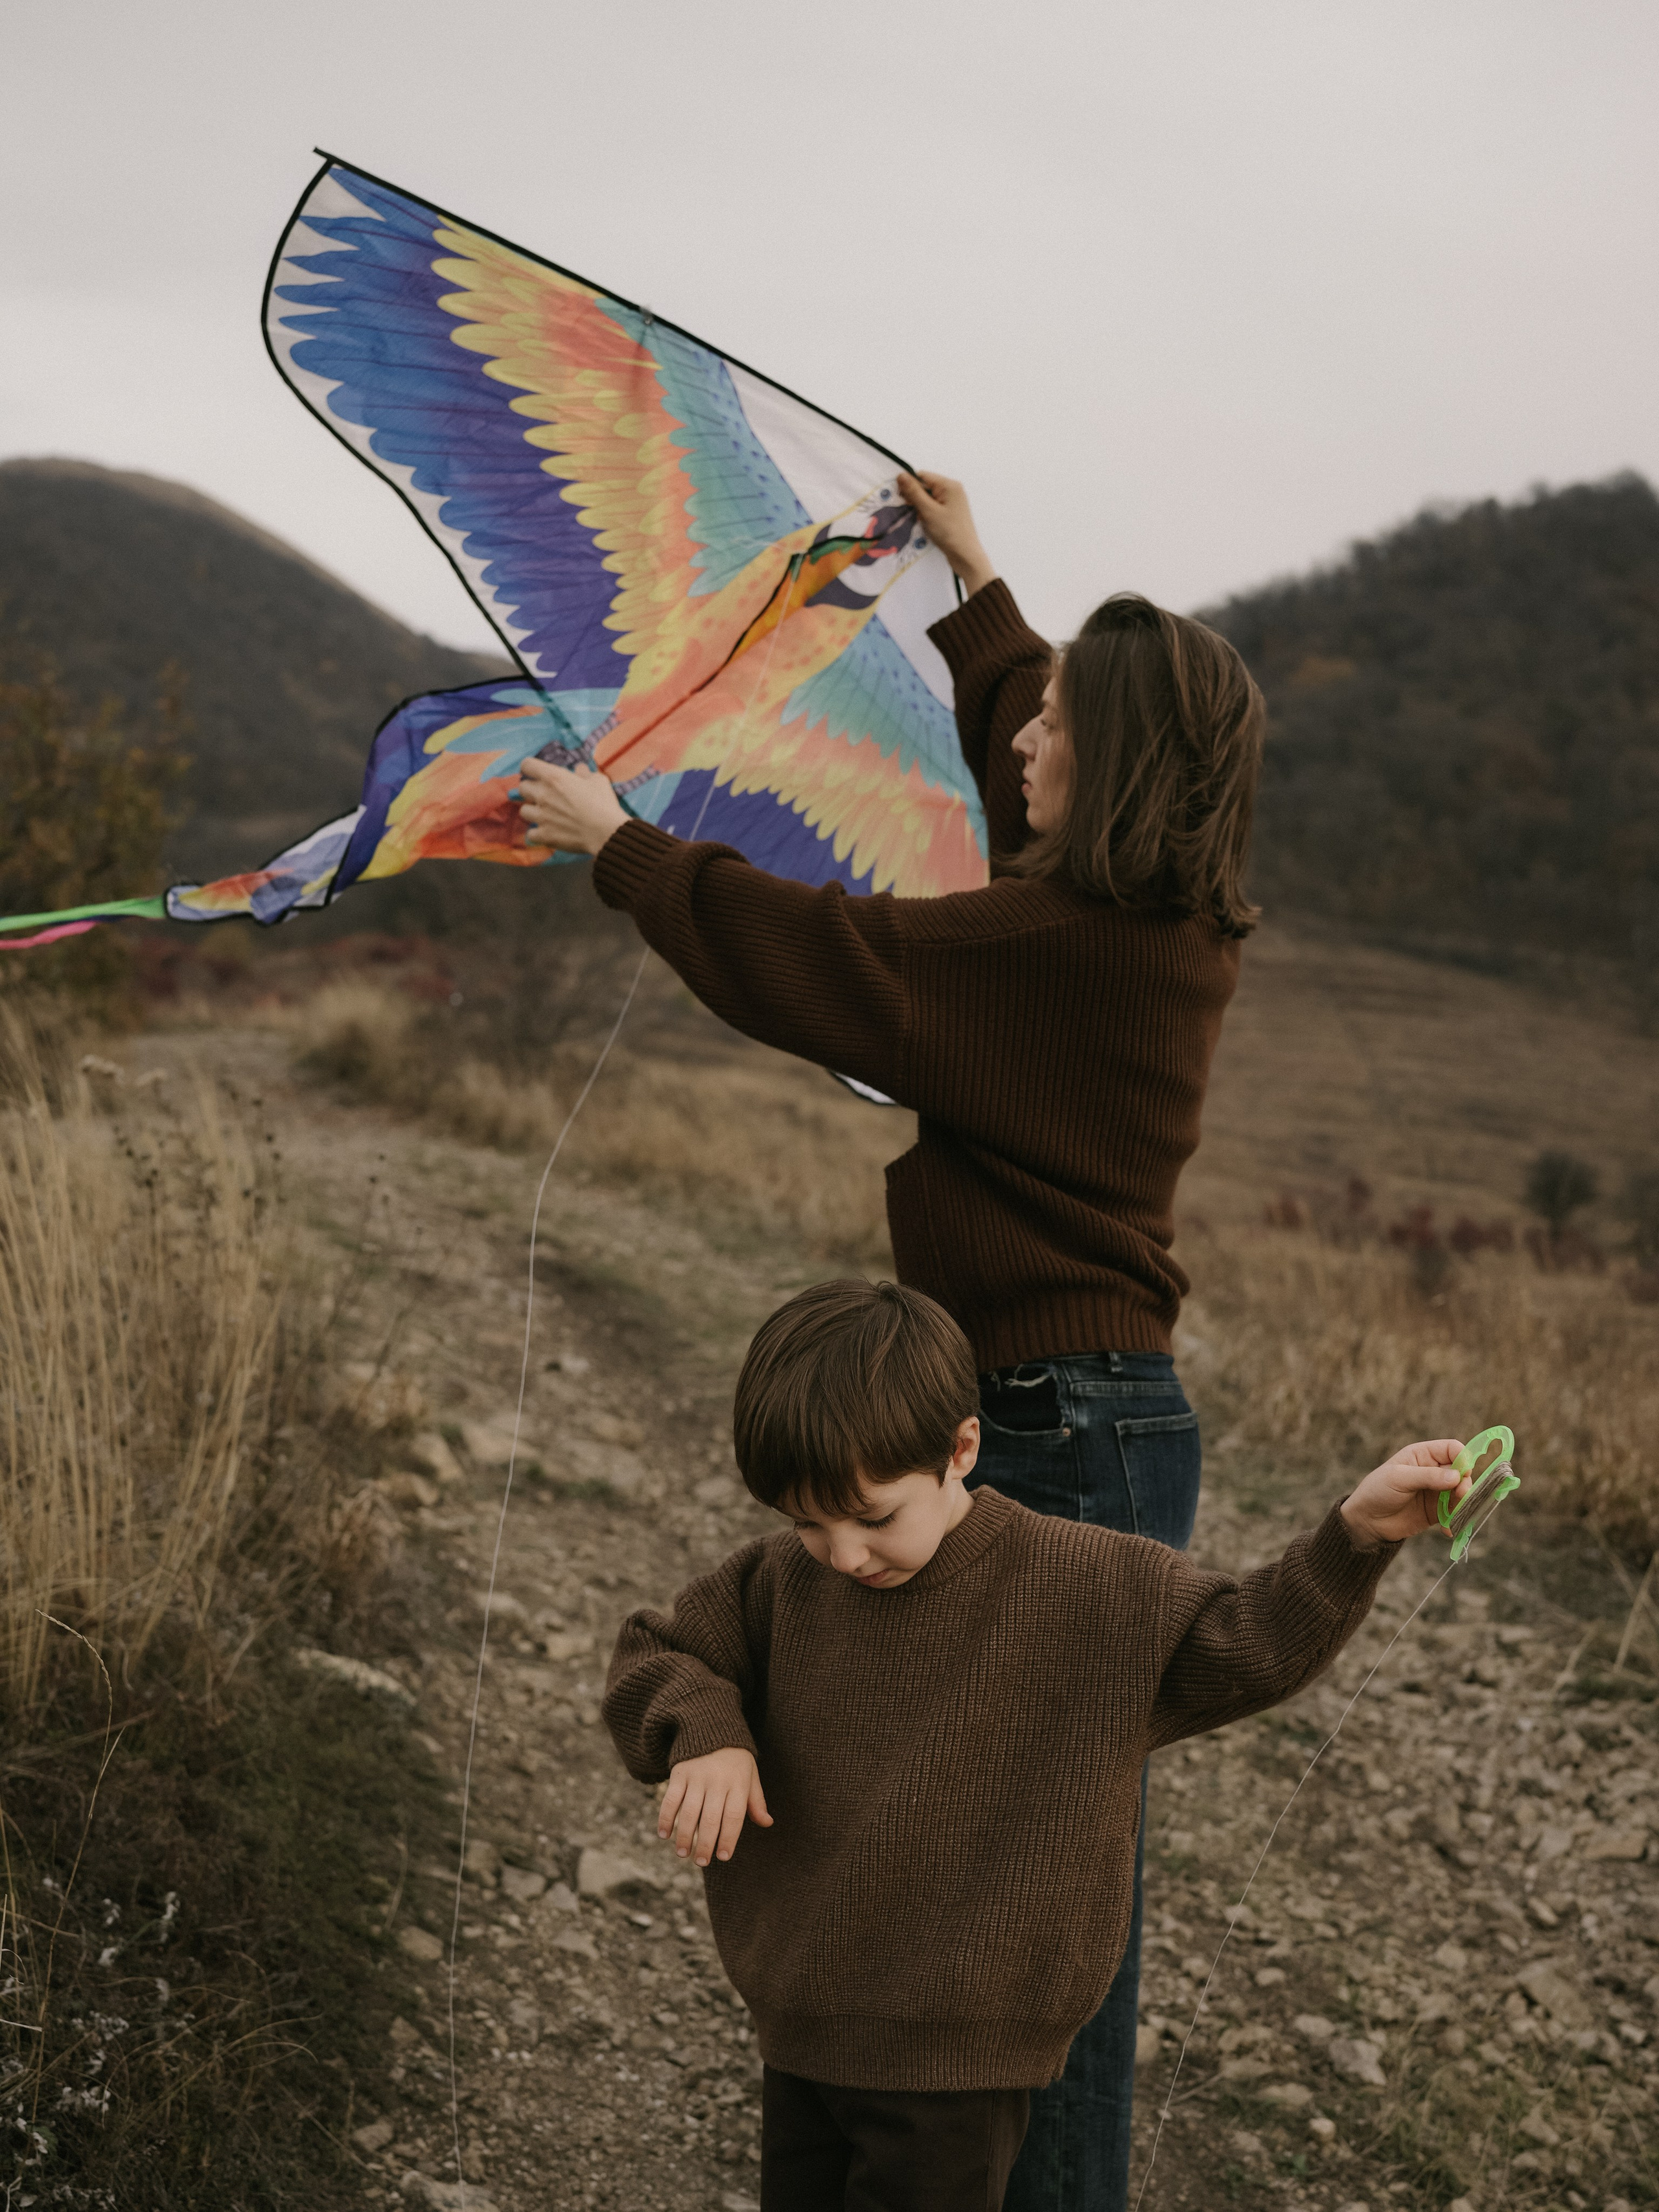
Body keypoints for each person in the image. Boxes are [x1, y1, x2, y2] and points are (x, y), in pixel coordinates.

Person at [516, 472, 1266, 2209]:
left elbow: (822, 959)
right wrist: (985, 583)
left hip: (1056, 1429)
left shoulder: (1045, 948)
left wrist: (620, 846)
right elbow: (1035, 729)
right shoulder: (1163, 921)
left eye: (1059, 726)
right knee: (1028, 1855)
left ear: (1119, 769)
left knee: (1039, 1885)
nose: (1022, 743)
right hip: (1085, 1408)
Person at [603, 1278, 1470, 2212]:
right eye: (807, 1522)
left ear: (961, 1449)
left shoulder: (1088, 1586)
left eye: (873, 1517)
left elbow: (1250, 1640)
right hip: (799, 2029)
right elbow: (656, 1650)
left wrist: (1358, 1532)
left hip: (956, 2067)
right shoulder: (777, 1584)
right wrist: (708, 1732)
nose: (843, 1554)